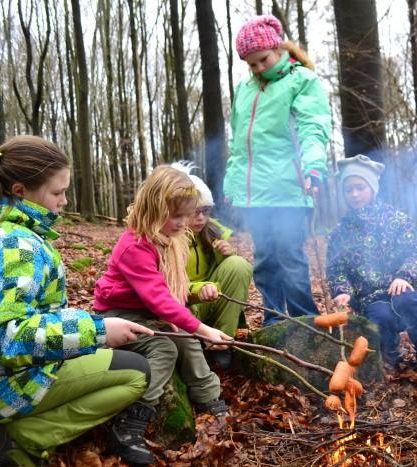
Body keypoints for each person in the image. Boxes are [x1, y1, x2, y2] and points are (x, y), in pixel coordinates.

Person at [0, 135, 156, 466]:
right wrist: (96, 332)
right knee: (136, 372)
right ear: (20, 191)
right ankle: (20, 440)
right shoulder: (13, 246)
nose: (65, 201)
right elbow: (8, 337)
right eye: (57, 192)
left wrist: (87, 328)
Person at [93, 166, 233, 451]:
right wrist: (204, 328)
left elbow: (171, 294)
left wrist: (186, 325)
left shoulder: (169, 239)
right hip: (118, 315)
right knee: (164, 349)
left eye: (188, 215)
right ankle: (131, 421)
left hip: (147, 312)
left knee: (187, 336)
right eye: (177, 216)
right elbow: (157, 297)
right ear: (154, 208)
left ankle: (206, 393)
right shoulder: (135, 245)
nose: (184, 223)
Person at [223, 14, 331, 326]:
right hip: (255, 192)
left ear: (278, 50)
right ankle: (274, 320)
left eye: (263, 60)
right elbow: (239, 145)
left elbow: (314, 128)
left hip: (289, 189)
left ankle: (305, 321)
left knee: (289, 257)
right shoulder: (245, 89)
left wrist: (313, 167)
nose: (258, 69)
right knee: (265, 260)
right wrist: (232, 185)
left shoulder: (302, 81)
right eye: (251, 64)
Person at [326, 155, 417, 381]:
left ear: (373, 187)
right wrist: (342, 291)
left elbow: (416, 254)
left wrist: (404, 276)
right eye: (349, 190)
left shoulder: (396, 220)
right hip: (369, 296)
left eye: (360, 187)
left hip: (401, 288)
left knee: (409, 304)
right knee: (381, 316)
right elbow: (335, 268)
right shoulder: (340, 232)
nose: (355, 194)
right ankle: (389, 358)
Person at [171, 163, 253, 370]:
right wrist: (199, 290)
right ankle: (193, 348)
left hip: (209, 300)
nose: (200, 218)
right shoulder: (168, 237)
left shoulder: (212, 231)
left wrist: (225, 255)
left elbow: (232, 274)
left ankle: (221, 342)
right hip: (181, 305)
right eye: (194, 212)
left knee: (238, 264)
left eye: (205, 211)